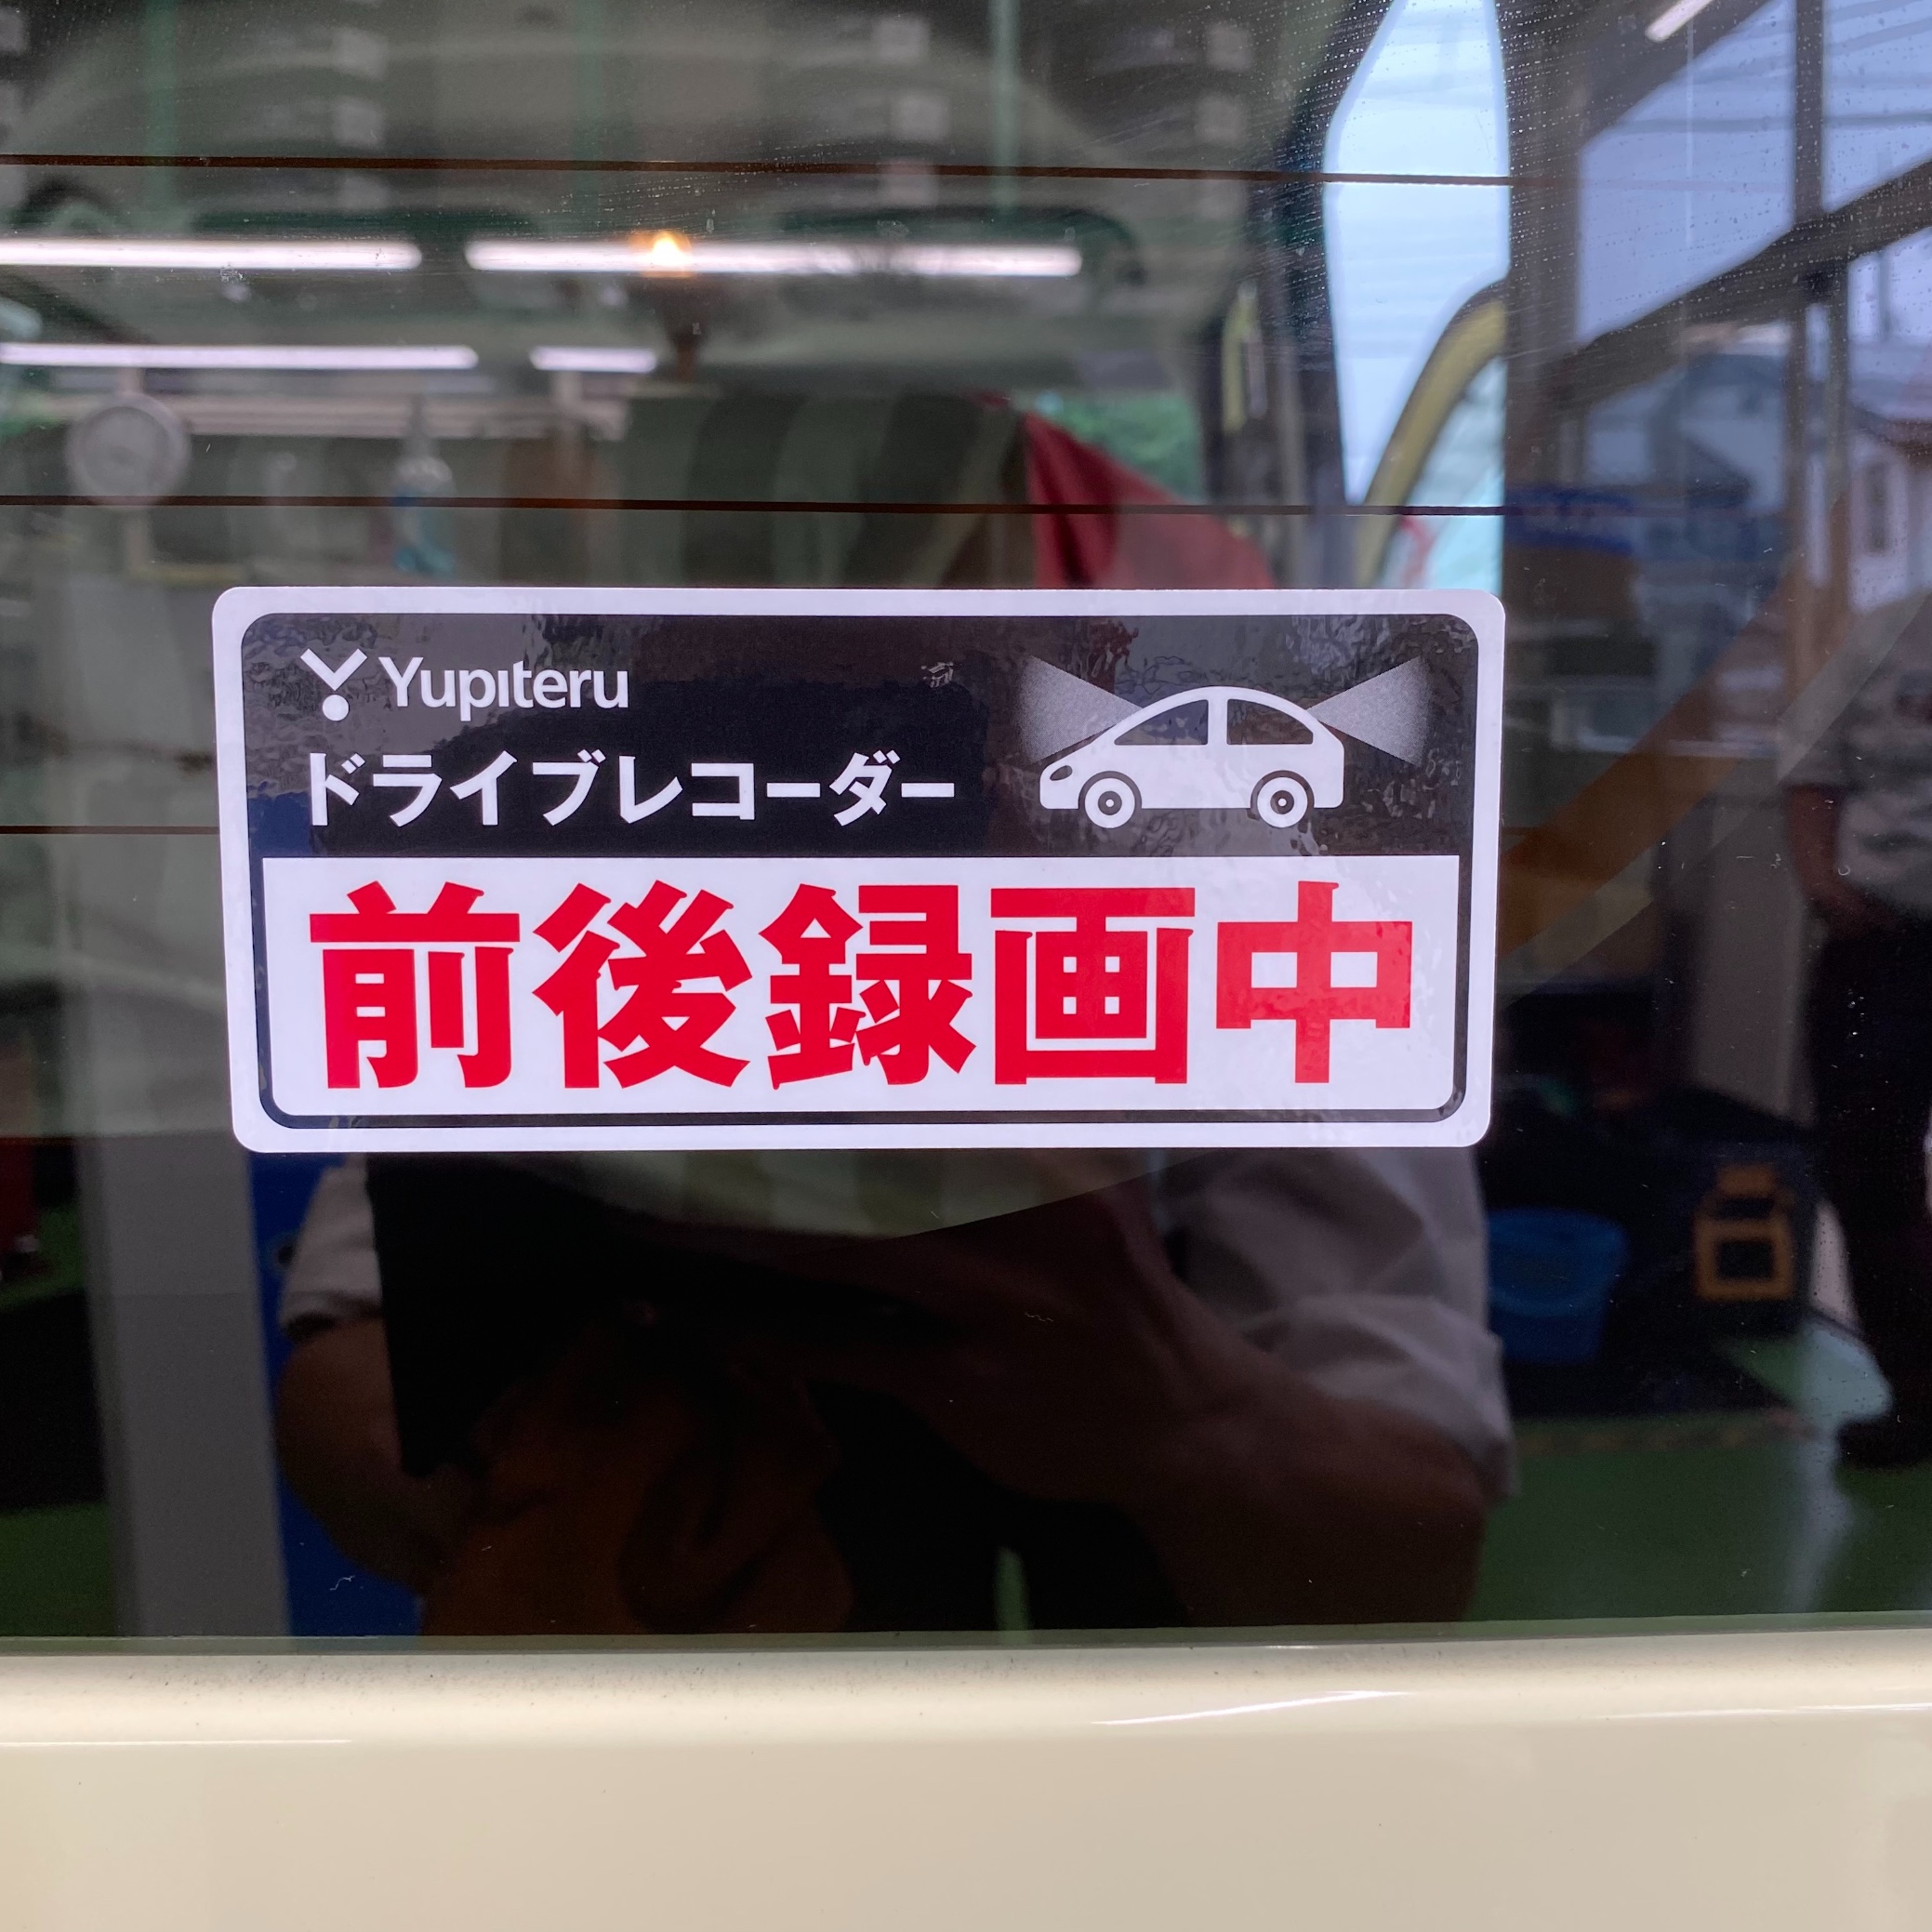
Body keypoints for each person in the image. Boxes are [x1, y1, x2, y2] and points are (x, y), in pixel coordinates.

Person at [275, 1148, 1513, 1634]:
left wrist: (1191, 1424)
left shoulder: (1232, 875)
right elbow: (342, 1404)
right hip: (697, 1798)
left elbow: (1406, 1562)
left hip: (1172, 1787)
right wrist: (556, 1476)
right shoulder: (577, 838)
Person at [1786, 601, 1932, 1467]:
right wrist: (1821, 882)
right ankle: (1918, 1395)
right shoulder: (1889, 634)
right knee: (1866, 1167)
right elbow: (1812, 763)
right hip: (1887, 940)